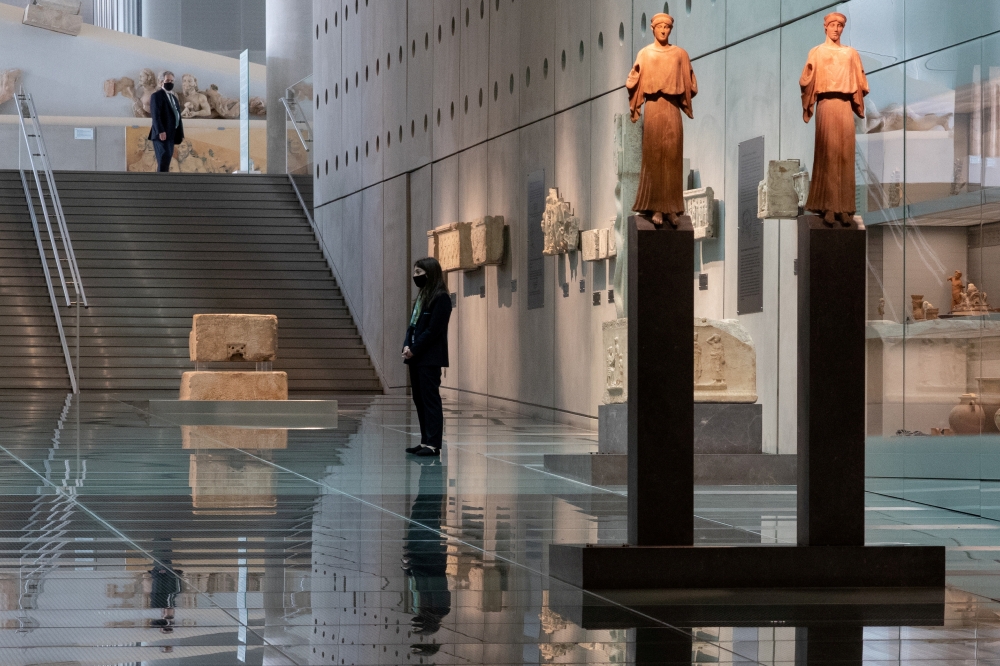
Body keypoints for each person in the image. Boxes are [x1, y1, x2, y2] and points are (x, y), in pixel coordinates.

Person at [626, 12, 697, 228]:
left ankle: (671, 208)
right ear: (653, 29)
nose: (664, 30)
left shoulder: (680, 55)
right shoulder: (645, 54)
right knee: (655, 158)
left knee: (673, 158)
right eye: (660, 27)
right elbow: (632, 80)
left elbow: (691, 84)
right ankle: (656, 207)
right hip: (654, 109)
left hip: (672, 110)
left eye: (667, 27)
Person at [800, 12, 869, 227]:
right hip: (827, 105)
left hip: (844, 106)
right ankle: (829, 206)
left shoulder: (851, 54)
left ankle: (845, 208)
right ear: (825, 27)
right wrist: (807, 80)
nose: (837, 29)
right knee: (828, 155)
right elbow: (806, 81)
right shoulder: (817, 52)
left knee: (846, 156)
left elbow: (861, 82)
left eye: (840, 25)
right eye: (833, 25)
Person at [402, 258, 452, 457]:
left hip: (429, 358)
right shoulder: (422, 297)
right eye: (414, 272)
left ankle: (433, 444)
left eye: (419, 272)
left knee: (430, 399)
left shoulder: (441, 298)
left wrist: (414, 348)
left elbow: (433, 331)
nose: (415, 276)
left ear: (430, 273)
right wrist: (407, 345)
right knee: (419, 399)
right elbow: (412, 326)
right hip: (415, 356)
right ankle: (425, 440)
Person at [148, 71, 185, 173]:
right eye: (168, 80)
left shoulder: (173, 98)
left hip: (171, 133)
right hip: (162, 134)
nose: (170, 83)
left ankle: (164, 180)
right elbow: (156, 115)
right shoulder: (157, 96)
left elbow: (178, 116)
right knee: (164, 157)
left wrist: (180, 133)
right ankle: (160, 183)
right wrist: (161, 131)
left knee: (168, 159)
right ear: (161, 82)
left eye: (172, 81)